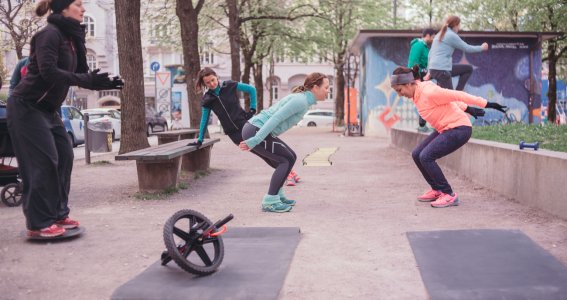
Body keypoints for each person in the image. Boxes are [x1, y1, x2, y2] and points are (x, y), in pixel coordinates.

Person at [7, 0, 123, 238]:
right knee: (44, 161)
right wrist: (86, 80)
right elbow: (49, 72)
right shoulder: (49, 35)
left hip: (49, 109)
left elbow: (80, 74)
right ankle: (38, 223)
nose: (83, 9)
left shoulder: (71, 38)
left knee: (65, 156)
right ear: (63, 8)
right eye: (78, 4)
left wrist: (103, 81)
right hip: (27, 106)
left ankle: (58, 213)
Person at [390, 66, 505, 208]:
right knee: (417, 154)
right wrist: (467, 109)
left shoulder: (428, 91)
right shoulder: (417, 93)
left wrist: (487, 104)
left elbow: (457, 95)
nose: (400, 95)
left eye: (399, 90)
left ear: (408, 84)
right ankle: (437, 190)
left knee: (426, 156)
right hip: (445, 128)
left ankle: (449, 194)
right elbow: (446, 100)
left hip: (459, 128)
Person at [190, 67, 301, 184]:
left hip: (247, 126)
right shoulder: (207, 99)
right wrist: (200, 138)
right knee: (262, 154)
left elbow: (251, 89)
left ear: (216, 77)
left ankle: (288, 172)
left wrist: (252, 109)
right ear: (204, 84)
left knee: (269, 148)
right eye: (208, 82)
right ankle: (289, 172)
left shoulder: (229, 85)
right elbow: (204, 119)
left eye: (213, 80)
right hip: (234, 134)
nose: (212, 84)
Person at [239, 72, 330, 213]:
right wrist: (256, 139)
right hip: (256, 130)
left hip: (258, 130)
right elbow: (276, 118)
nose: (328, 91)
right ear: (315, 87)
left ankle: (278, 195)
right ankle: (270, 201)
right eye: (326, 87)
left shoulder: (304, 100)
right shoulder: (301, 101)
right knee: (285, 159)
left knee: (290, 157)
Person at [426, 15, 488, 91]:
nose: (459, 28)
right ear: (455, 25)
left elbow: (430, 54)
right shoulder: (451, 35)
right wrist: (481, 47)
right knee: (449, 98)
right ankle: (457, 94)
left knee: (468, 69)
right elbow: (467, 48)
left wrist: (429, 71)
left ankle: (458, 92)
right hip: (442, 70)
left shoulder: (439, 35)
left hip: (435, 69)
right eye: (459, 26)